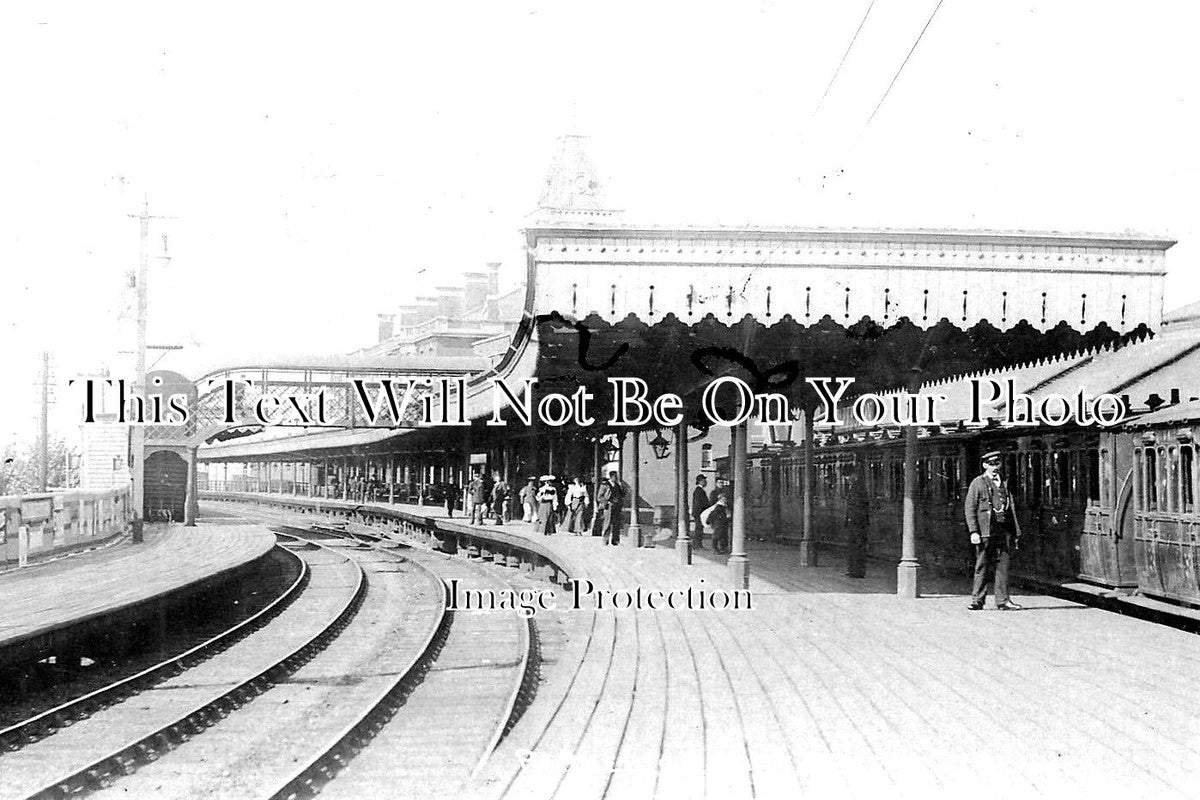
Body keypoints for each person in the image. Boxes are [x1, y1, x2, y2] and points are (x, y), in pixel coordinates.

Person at [965, 450, 1024, 611]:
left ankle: (1003, 600)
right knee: (982, 565)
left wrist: (1015, 531)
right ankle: (977, 600)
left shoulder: (1005, 482)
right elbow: (970, 508)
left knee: (1003, 565)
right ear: (985, 465)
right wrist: (974, 531)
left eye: (997, 464)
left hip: (1004, 530)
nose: (995, 467)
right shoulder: (978, 483)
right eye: (991, 464)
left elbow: (1011, 507)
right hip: (986, 530)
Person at [844, 468, 869, 579]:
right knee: (853, 546)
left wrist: (852, 519)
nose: (847, 479)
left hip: (858, 523)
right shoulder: (854, 487)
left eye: (848, 477)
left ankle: (857, 571)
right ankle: (853, 569)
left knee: (858, 546)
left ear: (853, 475)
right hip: (854, 522)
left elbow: (858, 506)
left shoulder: (858, 488)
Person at [597, 470, 624, 545]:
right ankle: (605, 540)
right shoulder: (605, 485)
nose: (616, 478)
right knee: (607, 523)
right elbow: (599, 496)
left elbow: (622, 494)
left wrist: (621, 487)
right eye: (615, 477)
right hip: (608, 506)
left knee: (616, 524)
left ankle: (615, 541)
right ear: (611, 477)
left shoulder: (618, 485)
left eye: (616, 477)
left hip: (617, 506)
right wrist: (606, 502)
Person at [691, 475, 711, 549]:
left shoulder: (698, 490)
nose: (706, 482)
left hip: (698, 512)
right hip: (699, 513)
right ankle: (697, 545)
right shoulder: (699, 491)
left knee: (699, 529)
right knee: (699, 529)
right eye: (704, 480)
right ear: (701, 481)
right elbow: (701, 503)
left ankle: (697, 544)